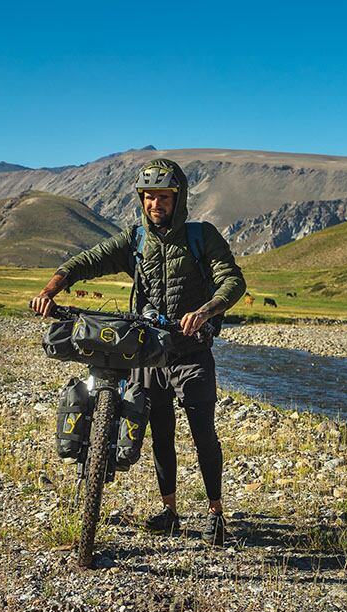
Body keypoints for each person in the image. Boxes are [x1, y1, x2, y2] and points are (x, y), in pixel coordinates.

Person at [30, 158, 246, 544]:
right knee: (159, 432)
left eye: (163, 196)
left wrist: (206, 311)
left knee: (203, 433)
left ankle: (215, 512)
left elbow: (232, 281)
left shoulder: (202, 236)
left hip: (192, 351)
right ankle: (171, 510)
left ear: (177, 199)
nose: (154, 204)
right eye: (148, 197)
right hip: (149, 352)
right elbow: (87, 261)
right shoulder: (135, 240)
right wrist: (49, 291)